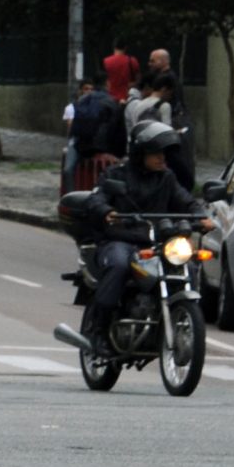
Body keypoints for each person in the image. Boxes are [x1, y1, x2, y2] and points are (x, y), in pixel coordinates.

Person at [79, 121, 212, 357]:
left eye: (164, 153)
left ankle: (180, 320)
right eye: (156, 153)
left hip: (155, 243)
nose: (162, 158)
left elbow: (186, 200)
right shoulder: (116, 174)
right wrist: (105, 211)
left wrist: (201, 217)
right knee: (120, 265)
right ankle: (99, 331)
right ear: (140, 153)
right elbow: (96, 199)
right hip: (119, 240)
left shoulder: (166, 178)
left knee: (187, 266)